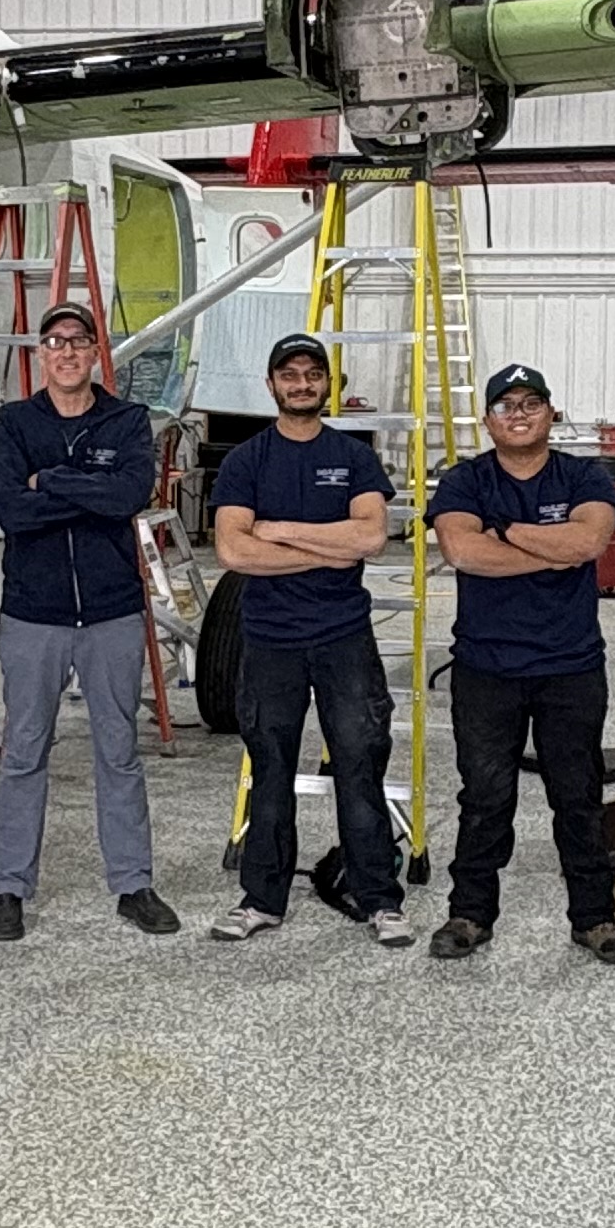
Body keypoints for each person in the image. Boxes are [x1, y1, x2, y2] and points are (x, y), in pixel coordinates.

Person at [425, 365, 615, 965]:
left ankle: (595, 919)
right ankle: (469, 914)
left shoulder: (584, 475)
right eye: (505, 405)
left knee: (578, 795)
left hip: (570, 667)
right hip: (486, 667)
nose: (518, 414)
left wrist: (507, 529)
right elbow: (464, 553)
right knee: (485, 796)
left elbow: (589, 544)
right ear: (488, 418)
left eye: (531, 403)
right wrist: (552, 550)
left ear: (551, 413)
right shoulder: (464, 480)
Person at [0, 302, 179, 941]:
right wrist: (80, 491)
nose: (66, 352)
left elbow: (129, 497)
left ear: (97, 353)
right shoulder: (14, 423)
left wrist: (52, 481)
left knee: (119, 750)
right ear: (41, 354)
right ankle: (8, 887)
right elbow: (12, 510)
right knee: (24, 750)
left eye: (78, 341)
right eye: (54, 342)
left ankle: (134, 884)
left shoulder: (126, 422)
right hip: (33, 613)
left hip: (111, 612)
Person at [206, 333, 409, 946]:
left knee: (360, 763)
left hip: (343, 638)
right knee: (269, 769)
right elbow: (235, 550)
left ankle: (379, 899)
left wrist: (283, 533)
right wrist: (327, 547)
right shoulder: (246, 461)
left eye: (312, 373)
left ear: (329, 384)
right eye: (288, 374)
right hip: (270, 642)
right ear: (271, 385)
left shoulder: (354, 457)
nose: (301, 383)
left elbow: (371, 539)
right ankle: (261, 899)